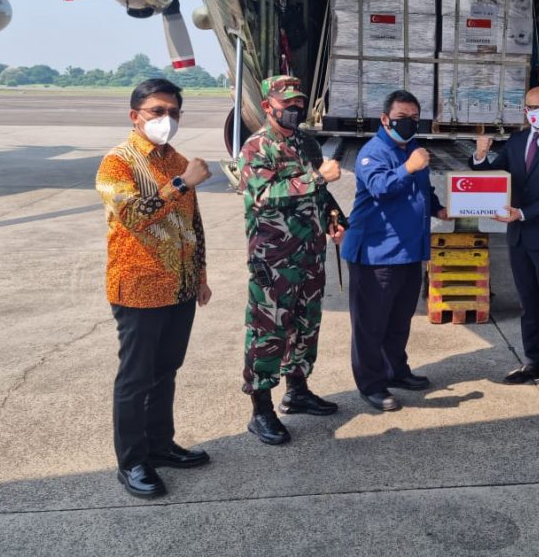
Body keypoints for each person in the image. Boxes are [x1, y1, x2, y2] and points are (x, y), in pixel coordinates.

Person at [96, 78, 212, 499]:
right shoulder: (118, 163)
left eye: (174, 112)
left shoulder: (176, 158)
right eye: (157, 111)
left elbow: (192, 226)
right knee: (135, 378)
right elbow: (133, 215)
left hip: (179, 286)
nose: (167, 119)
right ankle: (132, 462)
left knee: (166, 371)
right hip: (140, 286)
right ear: (135, 116)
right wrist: (182, 183)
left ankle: (160, 445)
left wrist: (200, 276)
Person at [238, 75, 346, 445]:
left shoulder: (305, 142)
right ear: (268, 107)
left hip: (310, 253)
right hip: (274, 261)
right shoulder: (256, 147)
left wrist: (335, 217)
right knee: (268, 333)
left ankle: (297, 390)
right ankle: (261, 411)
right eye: (287, 106)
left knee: (305, 324)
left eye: (299, 105)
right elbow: (265, 195)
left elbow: (319, 195)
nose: (295, 111)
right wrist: (317, 177)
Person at [471, 86, 539, 404]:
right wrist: (480, 155)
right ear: (525, 110)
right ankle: (533, 362)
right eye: (534, 107)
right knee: (527, 305)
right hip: (517, 237)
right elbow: (493, 175)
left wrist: (523, 212)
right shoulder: (517, 142)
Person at [342, 89, 447, 411]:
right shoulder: (372, 152)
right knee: (371, 324)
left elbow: (422, 191)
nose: (409, 124)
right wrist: (409, 168)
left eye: (415, 119)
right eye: (402, 118)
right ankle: (371, 385)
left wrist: (438, 209)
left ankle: (396, 370)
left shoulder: (414, 149)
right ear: (385, 119)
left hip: (408, 251)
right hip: (377, 253)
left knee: (399, 320)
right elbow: (381, 188)